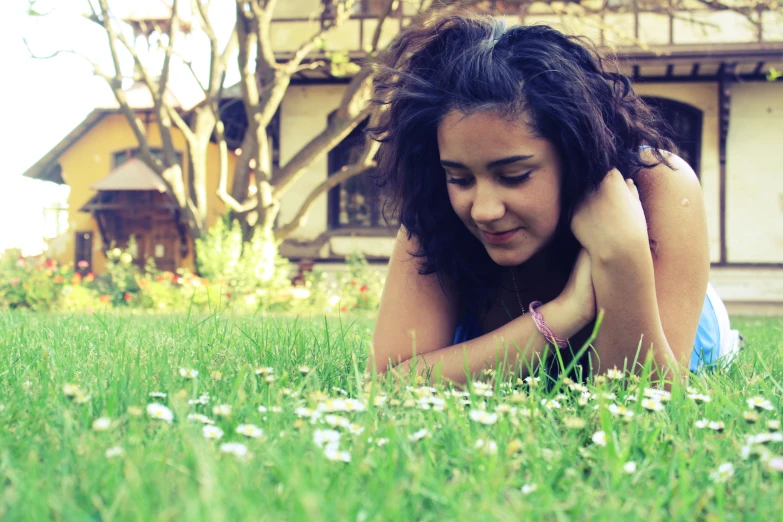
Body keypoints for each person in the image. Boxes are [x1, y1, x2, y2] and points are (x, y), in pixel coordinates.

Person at [369, 13, 740, 384]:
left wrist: (621, 253)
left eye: (514, 176)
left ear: (575, 155)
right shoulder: (435, 205)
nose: (483, 210)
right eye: (460, 178)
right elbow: (385, 383)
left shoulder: (660, 182)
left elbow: (636, 401)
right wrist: (562, 314)